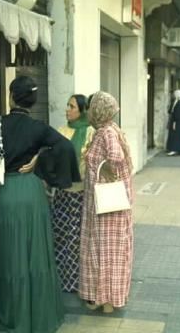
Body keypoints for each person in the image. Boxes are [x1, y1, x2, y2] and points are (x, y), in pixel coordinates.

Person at [0, 76, 76, 333]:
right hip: (30, 195)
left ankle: (3, 315)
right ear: (33, 101)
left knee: (2, 258)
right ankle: (33, 317)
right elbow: (65, 148)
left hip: (0, 196)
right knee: (32, 259)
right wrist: (39, 161)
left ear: (10, 97)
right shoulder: (38, 128)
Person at [79, 91, 134, 314]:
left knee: (105, 249)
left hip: (107, 205)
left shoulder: (106, 132)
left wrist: (105, 169)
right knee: (109, 250)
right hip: (107, 203)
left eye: (92, 107)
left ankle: (105, 300)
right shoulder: (108, 130)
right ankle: (107, 299)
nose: (88, 112)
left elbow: (115, 157)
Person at [51, 94, 94, 292]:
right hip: (62, 193)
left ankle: (80, 282)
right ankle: (63, 280)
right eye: (67, 105)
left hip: (82, 195)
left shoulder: (91, 133)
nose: (67, 109)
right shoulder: (61, 131)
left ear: (83, 110)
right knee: (61, 237)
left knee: (79, 240)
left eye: (72, 106)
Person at [166, 90, 180, 156]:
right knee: (179, 136)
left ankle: (174, 149)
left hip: (177, 122)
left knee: (175, 136)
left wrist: (174, 121)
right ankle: (179, 150)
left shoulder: (179, 103)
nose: (173, 95)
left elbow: (177, 114)